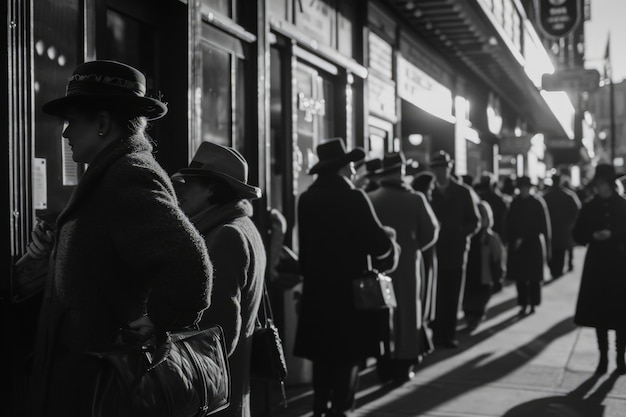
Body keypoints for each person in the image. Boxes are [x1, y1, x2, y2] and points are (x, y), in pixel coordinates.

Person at [27, 60, 213, 417]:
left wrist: (158, 321)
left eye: (72, 122)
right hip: (88, 377)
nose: (65, 134)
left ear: (101, 123)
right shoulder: (112, 173)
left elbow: (190, 265)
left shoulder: (128, 176)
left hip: (103, 385)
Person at [294, 138, 399, 417]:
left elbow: (305, 252)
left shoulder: (307, 199)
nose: (354, 170)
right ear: (342, 168)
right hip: (350, 290)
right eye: (351, 165)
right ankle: (341, 409)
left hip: (318, 290)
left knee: (322, 353)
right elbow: (378, 244)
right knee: (348, 354)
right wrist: (390, 240)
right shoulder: (353, 198)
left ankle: (319, 406)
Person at [171, 141, 266, 417]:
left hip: (213, 394)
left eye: (190, 183)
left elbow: (219, 329)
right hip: (229, 389)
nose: (183, 190)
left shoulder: (226, 235)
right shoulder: (241, 226)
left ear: (212, 188)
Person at [368, 151, 440, 383]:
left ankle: (383, 364)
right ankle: (403, 366)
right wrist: (412, 247)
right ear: (401, 172)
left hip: (378, 266)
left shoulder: (370, 197)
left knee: (381, 314)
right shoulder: (415, 199)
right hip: (408, 266)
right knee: (408, 315)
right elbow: (430, 232)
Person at [572, 163, 626, 375]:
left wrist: (613, 235)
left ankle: (620, 358)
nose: (601, 187)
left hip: (620, 263)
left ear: (611, 184)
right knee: (600, 313)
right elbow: (578, 233)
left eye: (604, 183)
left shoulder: (622, 205)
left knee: (621, 314)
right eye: (599, 183)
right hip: (597, 264)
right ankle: (603, 358)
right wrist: (592, 236)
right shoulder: (589, 206)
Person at [428, 151, 481, 348]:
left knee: (452, 296)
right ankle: (435, 334)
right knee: (436, 296)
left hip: (456, 253)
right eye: (436, 168)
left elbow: (475, 221)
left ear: (449, 168)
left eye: (443, 167)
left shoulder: (462, 192)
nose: (440, 171)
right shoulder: (429, 192)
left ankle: (448, 334)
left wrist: (460, 235)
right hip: (434, 252)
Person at [505, 176, 551, 316]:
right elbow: (509, 224)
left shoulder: (537, 203)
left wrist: (547, 246)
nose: (524, 190)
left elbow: (543, 226)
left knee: (533, 278)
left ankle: (533, 303)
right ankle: (523, 303)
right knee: (521, 278)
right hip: (518, 246)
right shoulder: (515, 203)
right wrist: (512, 240)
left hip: (532, 245)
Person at [462, 201, 505, 331]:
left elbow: (498, 257)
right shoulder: (469, 235)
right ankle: (470, 317)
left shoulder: (491, 238)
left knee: (481, 299)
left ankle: (476, 318)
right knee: (469, 297)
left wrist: (499, 274)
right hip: (470, 274)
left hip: (484, 276)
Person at [410, 171, 439, 347]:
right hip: (421, 255)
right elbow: (430, 231)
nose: (432, 190)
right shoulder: (418, 200)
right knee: (422, 294)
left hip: (421, 253)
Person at [542, 174, 581, 279]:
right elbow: (577, 210)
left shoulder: (545, 196)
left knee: (553, 251)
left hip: (551, 228)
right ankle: (558, 270)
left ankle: (555, 270)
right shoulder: (568, 195)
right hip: (564, 228)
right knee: (561, 251)